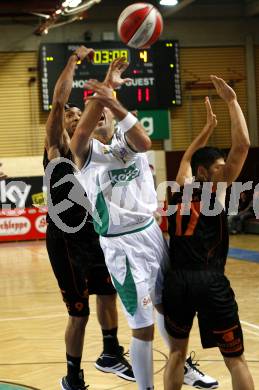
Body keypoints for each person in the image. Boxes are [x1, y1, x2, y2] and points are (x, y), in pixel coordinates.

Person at [69, 62, 219, 388]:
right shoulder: (84, 152)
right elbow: (81, 130)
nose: (101, 117)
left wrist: (111, 96)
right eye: (96, 113)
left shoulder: (128, 137)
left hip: (151, 234)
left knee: (169, 307)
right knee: (143, 324)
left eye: (105, 111)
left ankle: (182, 365)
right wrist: (104, 93)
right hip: (121, 245)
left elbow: (146, 142)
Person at [44, 46, 134, 390]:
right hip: (65, 239)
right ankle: (73, 376)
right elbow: (57, 102)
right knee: (78, 313)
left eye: (78, 111)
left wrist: (109, 92)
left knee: (108, 293)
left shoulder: (93, 151)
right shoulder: (57, 146)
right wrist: (73, 60)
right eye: (71, 113)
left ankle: (110, 351)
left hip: (96, 233)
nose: (74, 114)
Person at [162, 77, 255, 390]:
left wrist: (207, 128)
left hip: (177, 282)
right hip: (208, 280)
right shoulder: (215, 191)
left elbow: (187, 159)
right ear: (206, 174)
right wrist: (231, 102)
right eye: (218, 166)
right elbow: (242, 146)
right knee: (236, 359)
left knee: (176, 353)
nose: (224, 168)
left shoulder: (176, 190)